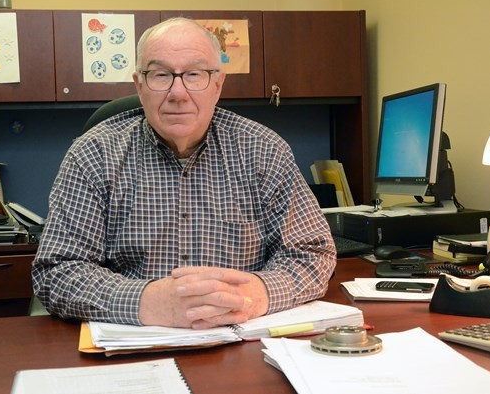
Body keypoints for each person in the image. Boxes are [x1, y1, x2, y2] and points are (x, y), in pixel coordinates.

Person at [32, 17, 336, 329]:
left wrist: (256, 294)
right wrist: (146, 301)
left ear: (218, 84)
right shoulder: (93, 155)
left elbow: (312, 255)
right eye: (161, 75)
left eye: (194, 74)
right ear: (140, 85)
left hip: (240, 341)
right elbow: (56, 271)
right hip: (135, 346)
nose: (178, 93)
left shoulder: (264, 151)